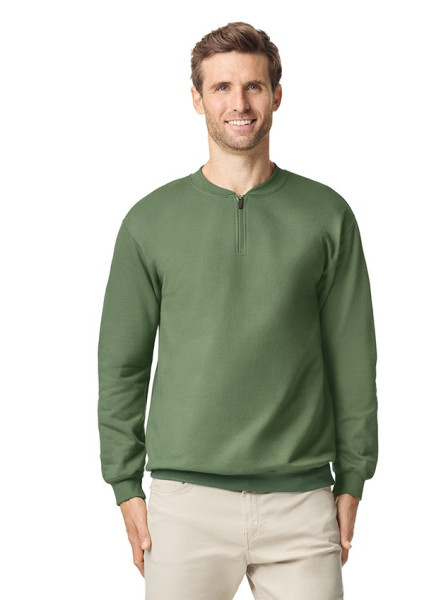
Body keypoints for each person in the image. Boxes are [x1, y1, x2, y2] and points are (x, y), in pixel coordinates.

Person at [97, 21, 378, 599]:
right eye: (221, 87)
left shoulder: (327, 216)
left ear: (277, 95)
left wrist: (353, 479)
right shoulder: (149, 221)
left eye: (253, 86)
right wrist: (125, 484)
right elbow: (122, 365)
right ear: (197, 98)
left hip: (302, 501)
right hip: (184, 505)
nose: (239, 104)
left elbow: (353, 360)